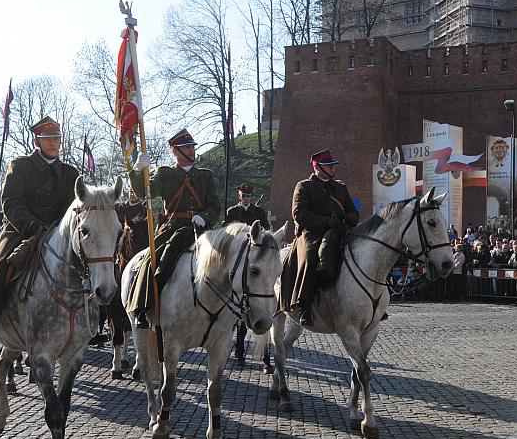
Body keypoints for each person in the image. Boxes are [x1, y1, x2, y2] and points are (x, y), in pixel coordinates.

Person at [0, 116, 80, 345]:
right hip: (22, 230)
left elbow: (73, 205)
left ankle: (91, 320)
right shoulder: (20, 166)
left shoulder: (70, 172)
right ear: (36, 141)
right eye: (48, 139)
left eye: (57, 139)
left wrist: (61, 228)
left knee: (88, 264)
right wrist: (32, 226)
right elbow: (11, 202)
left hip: (59, 232)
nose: (53, 143)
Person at [126, 129, 221, 329]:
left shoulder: (205, 176)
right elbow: (145, 194)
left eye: (192, 147)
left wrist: (204, 217)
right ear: (175, 151)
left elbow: (215, 207)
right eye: (186, 147)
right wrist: (136, 171)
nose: (192, 151)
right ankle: (143, 307)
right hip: (173, 228)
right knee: (151, 261)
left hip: (202, 229)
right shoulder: (165, 174)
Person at [279, 149, 359, 326]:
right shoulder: (304, 186)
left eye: (332, 166)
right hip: (313, 233)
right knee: (310, 256)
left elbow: (353, 211)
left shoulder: (340, 187)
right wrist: (327, 222)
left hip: (340, 230)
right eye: (328, 166)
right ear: (317, 167)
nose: (332, 169)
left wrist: (350, 218)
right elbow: (300, 215)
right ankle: (304, 305)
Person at [225, 183, 270, 363]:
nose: (246, 199)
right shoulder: (231, 212)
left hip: (254, 253)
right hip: (237, 253)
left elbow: (265, 229)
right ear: (239, 196)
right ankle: (239, 348)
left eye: (248, 196)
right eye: (243, 196)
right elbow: (227, 232)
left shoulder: (259, 212)